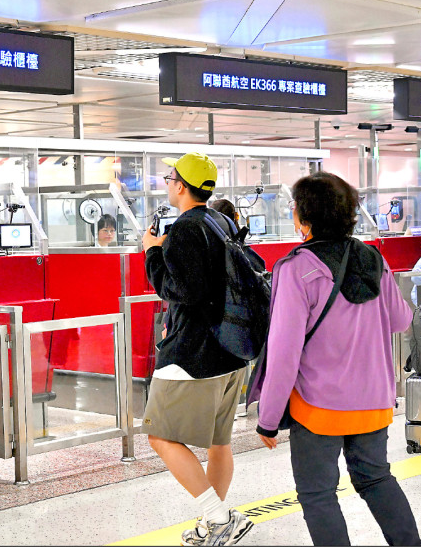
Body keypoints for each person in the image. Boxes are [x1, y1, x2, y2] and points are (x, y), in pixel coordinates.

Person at [251, 172, 421, 546]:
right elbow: (401, 320)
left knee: (318, 494)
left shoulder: (296, 268)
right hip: (374, 401)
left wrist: (268, 419)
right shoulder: (373, 258)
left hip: (319, 407)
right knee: (375, 478)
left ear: (305, 216)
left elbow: (283, 352)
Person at [141, 152, 253, 546]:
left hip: (194, 354)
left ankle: (219, 517)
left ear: (181, 186)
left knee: (159, 435)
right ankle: (213, 525)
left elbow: (181, 291)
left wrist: (152, 252)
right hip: (232, 351)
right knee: (219, 442)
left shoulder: (187, 227)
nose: (168, 183)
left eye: (170, 178)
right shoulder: (221, 221)